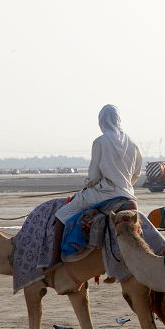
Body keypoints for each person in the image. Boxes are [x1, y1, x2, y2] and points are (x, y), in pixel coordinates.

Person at [51, 104, 143, 262]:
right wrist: (124, 184)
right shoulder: (133, 143)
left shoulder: (100, 141)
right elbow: (137, 173)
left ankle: (54, 260)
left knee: (60, 215)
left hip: (105, 193)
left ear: (102, 121)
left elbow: (93, 176)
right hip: (128, 193)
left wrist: (87, 185)